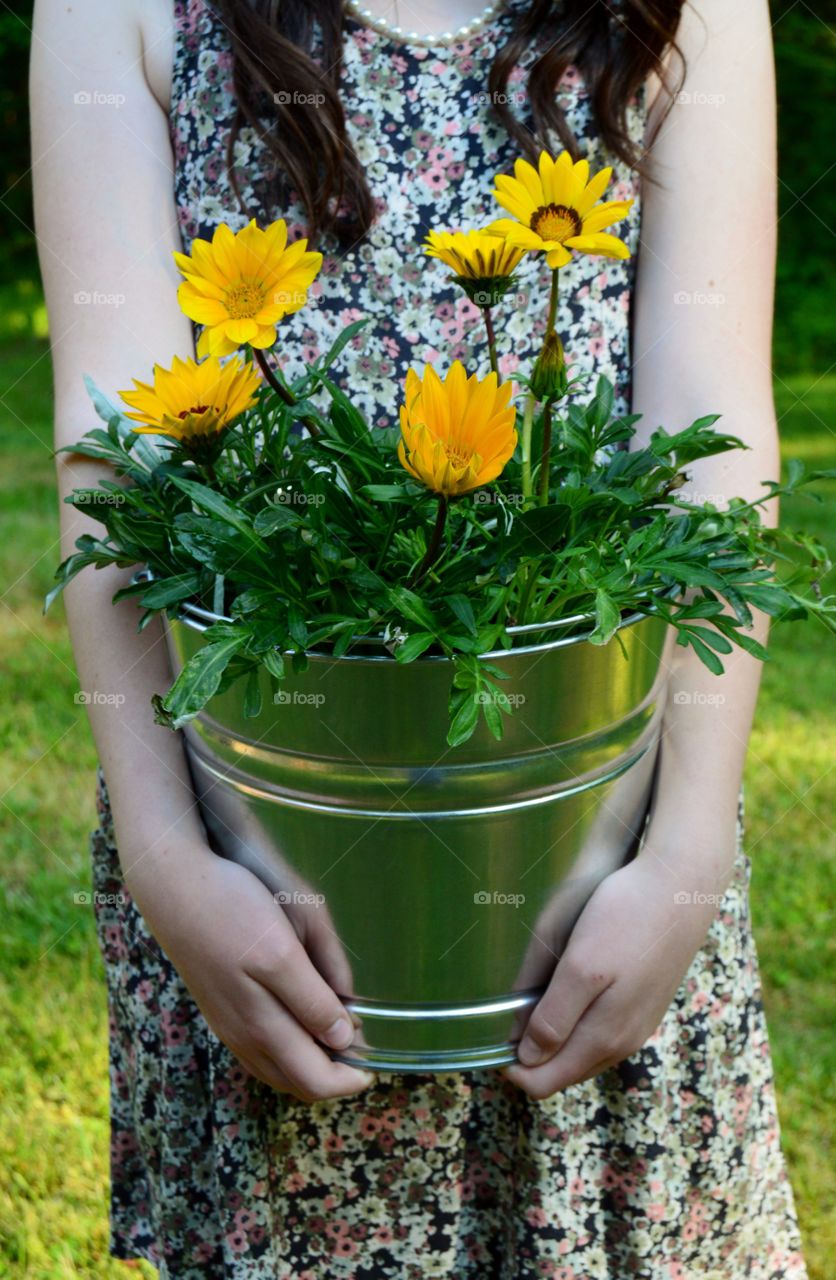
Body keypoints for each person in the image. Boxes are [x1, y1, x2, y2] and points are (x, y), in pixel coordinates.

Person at [31, 0, 808, 1275]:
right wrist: (169, 860)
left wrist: (688, 847)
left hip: (591, 859)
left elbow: (708, 422)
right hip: (264, 874)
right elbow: (114, 448)